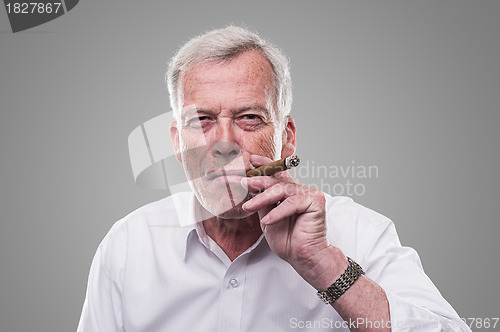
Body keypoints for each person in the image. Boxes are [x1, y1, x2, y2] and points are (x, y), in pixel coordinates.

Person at [77, 26, 471, 331]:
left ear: (287, 138)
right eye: (202, 121)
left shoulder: (360, 233)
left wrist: (324, 266)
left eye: (249, 118)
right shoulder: (127, 247)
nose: (225, 143)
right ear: (178, 143)